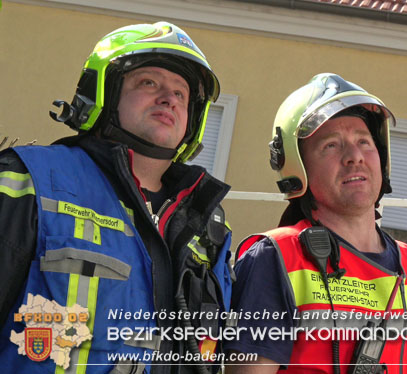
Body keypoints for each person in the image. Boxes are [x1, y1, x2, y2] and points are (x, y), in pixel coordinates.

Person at [0, 22, 233, 373]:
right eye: (149, 82)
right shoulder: (27, 180)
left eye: (181, 94)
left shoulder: (209, 227)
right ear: (104, 93)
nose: (168, 98)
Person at [225, 73, 407, 374]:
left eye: (364, 142)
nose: (354, 157)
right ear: (298, 166)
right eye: (331, 146)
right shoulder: (276, 257)